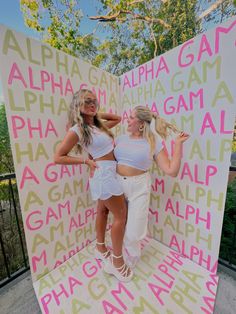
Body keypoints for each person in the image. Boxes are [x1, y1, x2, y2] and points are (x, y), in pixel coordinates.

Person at [54, 89, 133, 282]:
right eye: (87, 101)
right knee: (121, 216)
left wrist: (94, 113)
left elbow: (117, 118)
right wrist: (85, 162)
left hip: (107, 173)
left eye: (94, 101)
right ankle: (117, 262)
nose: (92, 104)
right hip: (103, 174)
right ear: (77, 105)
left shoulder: (96, 126)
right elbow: (58, 157)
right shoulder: (77, 130)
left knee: (103, 212)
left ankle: (100, 247)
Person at [113, 105, 190, 268]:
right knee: (120, 221)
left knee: (135, 228)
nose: (128, 119)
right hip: (118, 183)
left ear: (142, 123)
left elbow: (171, 171)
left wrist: (178, 145)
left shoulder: (153, 142)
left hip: (139, 186)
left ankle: (132, 255)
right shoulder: (120, 139)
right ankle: (118, 254)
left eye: (132, 117)